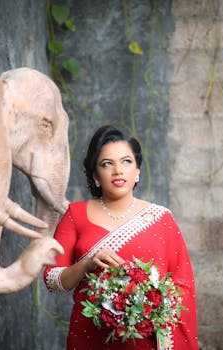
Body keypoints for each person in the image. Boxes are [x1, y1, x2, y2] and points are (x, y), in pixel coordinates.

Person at [44, 125, 198, 350]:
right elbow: (52, 280)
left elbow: (182, 283)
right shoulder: (75, 215)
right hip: (90, 337)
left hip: (146, 340)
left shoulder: (161, 218)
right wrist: (87, 264)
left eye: (126, 162)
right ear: (95, 175)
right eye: (107, 164)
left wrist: (148, 302)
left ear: (137, 171)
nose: (118, 170)